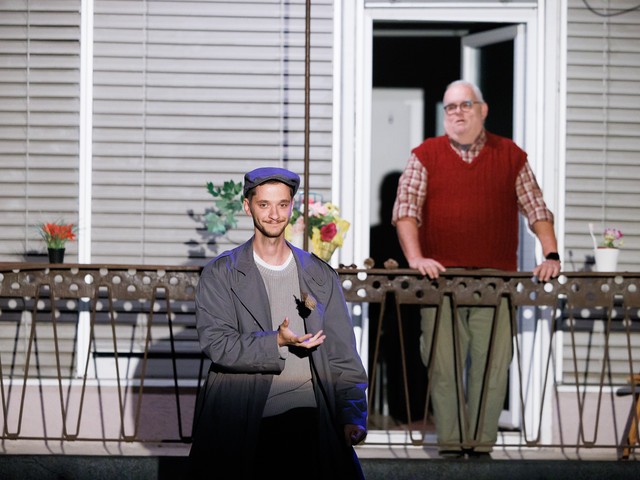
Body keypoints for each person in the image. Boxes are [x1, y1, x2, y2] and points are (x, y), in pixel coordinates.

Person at [392, 79, 560, 459]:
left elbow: (537, 209)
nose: (457, 113)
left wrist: (550, 254)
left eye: (465, 105)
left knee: (493, 364)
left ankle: (480, 450)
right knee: (442, 364)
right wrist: (415, 259)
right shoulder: (425, 155)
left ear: (482, 110)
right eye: (450, 107)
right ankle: (452, 449)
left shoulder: (510, 155)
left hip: (494, 280)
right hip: (439, 279)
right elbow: (405, 210)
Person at [188, 167, 368, 479]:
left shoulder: (319, 274)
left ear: (292, 206)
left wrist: (352, 414)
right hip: (244, 416)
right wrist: (276, 342)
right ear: (248, 207)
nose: (274, 214)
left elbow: (343, 355)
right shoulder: (221, 274)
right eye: (264, 205)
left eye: (282, 204)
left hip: (310, 416)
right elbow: (217, 344)